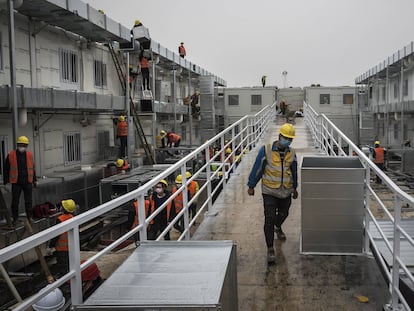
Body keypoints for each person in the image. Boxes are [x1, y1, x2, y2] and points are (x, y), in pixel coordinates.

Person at [247, 123, 298, 264]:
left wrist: (295, 188)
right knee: (269, 219)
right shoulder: (266, 150)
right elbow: (257, 169)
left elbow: (293, 172)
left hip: (286, 191)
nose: (287, 140)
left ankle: (278, 226)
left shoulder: (292, 153)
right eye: (286, 137)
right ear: (279, 136)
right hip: (269, 190)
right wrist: (251, 185)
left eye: (290, 139)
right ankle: (270, 249)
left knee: (284, 213)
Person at [3, 135, 37, 225]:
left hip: (27, 181)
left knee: (28, 201)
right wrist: (6, 182)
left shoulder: (29, 155)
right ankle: (15, 218)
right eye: (21, 144)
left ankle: (29, 217)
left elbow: (32, 168)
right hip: (16, 182)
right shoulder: (11, 155)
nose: (23, 147)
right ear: (18, 144)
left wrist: (34, 180)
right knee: (15, 202)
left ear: (27, 146)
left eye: (25, 145)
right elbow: (6, 169)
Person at [49, 199, 76, 272]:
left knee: (62, 266)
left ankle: (64, 279)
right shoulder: (72, 217)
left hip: (61, 249)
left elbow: (56, 234)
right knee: (70, 266)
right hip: (71, 247)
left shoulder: (60, 219)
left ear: (63, 209)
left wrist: (51, 245)